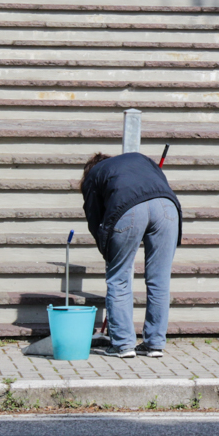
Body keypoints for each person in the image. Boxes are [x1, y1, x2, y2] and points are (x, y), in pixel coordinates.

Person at [81, 151, 182, 358]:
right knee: (159, 280)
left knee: (119, 279)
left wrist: (107, 252)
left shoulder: (93, 175)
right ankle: (154, 344)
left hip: (127, 208)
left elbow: (94, 218)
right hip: (167, 206)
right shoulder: (139, 158)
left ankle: (123, 344)